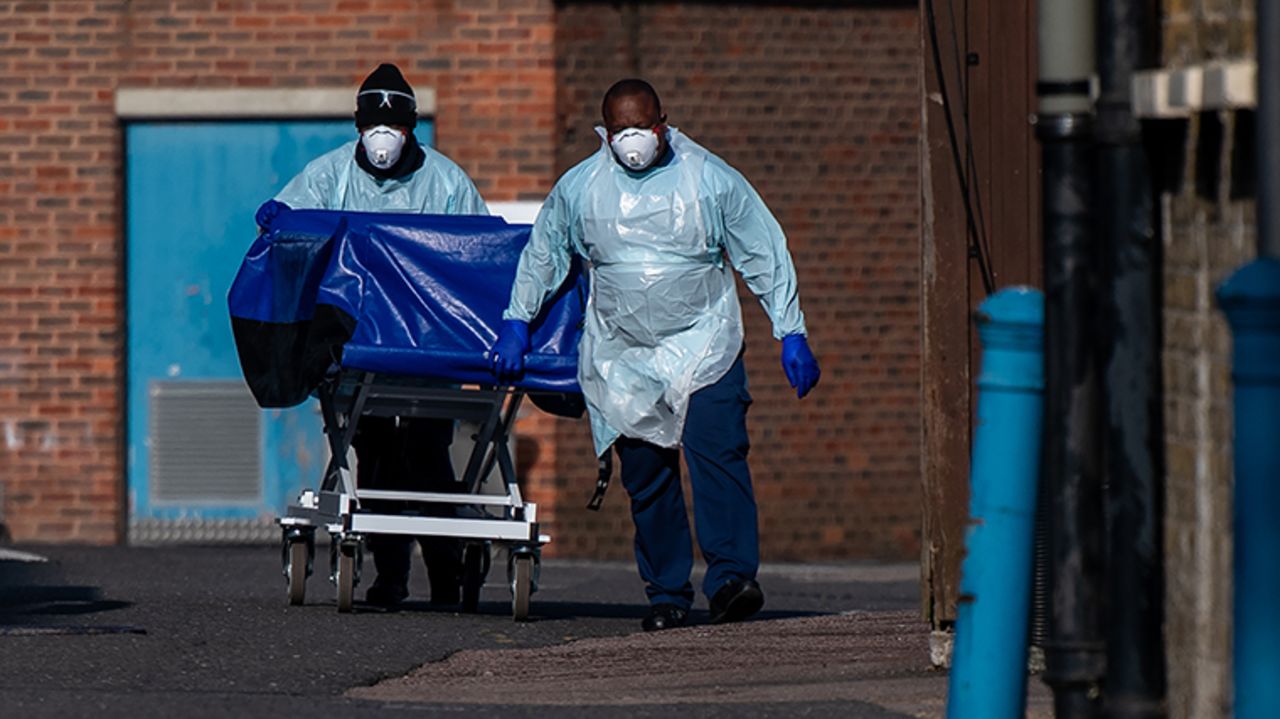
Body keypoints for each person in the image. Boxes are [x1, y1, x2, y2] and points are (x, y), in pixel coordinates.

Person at [490, 79, 821, 631]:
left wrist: (790, 329)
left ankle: (732, 578)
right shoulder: (581, 189)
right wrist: (517, 320)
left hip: (704, 340)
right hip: (625, 353)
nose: (633, 140)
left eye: (642, 127)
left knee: (718, 453)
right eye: (621, 130)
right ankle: (667, 591)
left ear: (663, 123)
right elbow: (544, 255)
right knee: (646, 474)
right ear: (606, 131)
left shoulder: (710, 181)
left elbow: (762, 248)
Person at [255, 63, 489, 608]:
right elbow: (294, 232)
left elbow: (475, 256)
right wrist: (279, 220)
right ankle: (390, 573)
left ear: (411, 129)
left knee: (428, 454)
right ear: (358, 127)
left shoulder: (446, 182)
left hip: (426, 345)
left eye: (395, 126)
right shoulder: (327, 176)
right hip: (357, 344)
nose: (383, 139)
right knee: (376, 451)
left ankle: (446, 572)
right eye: (373, 126)